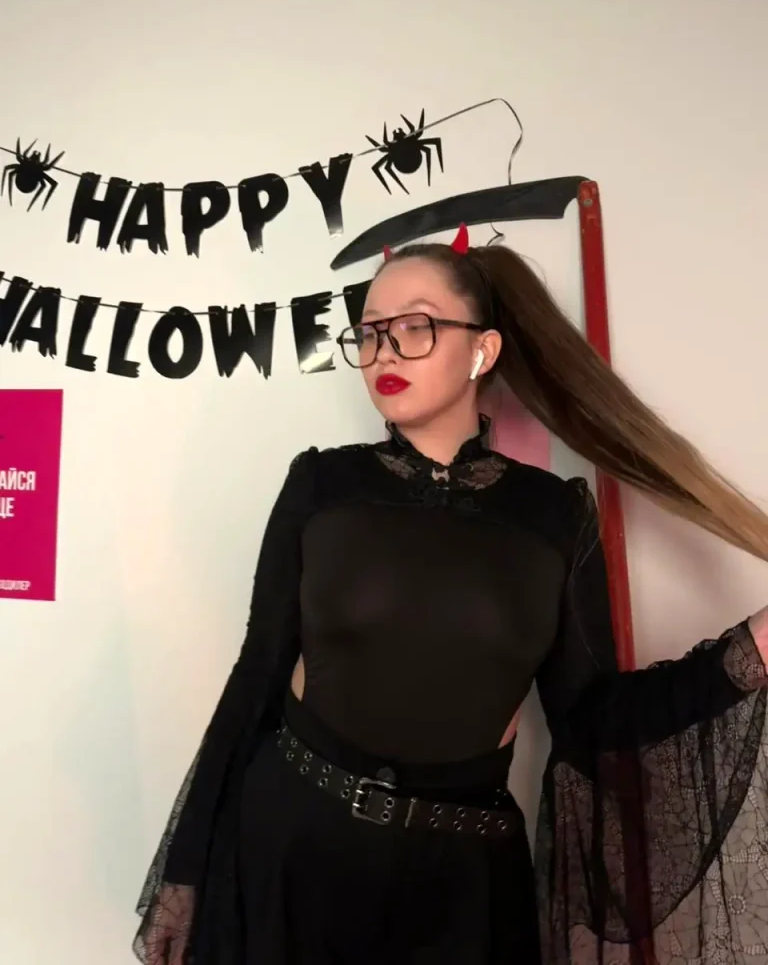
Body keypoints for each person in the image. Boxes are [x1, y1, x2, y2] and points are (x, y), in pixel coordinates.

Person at [133, 224, 768, 965]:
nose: (384, 353)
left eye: (415, 327)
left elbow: (591, 720)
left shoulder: (554, 514)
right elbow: (257, 675)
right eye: (370, 333)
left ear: (482, 350)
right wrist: (185, 869)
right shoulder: (322, 483)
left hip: (460, 888)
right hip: (294, 851)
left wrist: (752, 649)